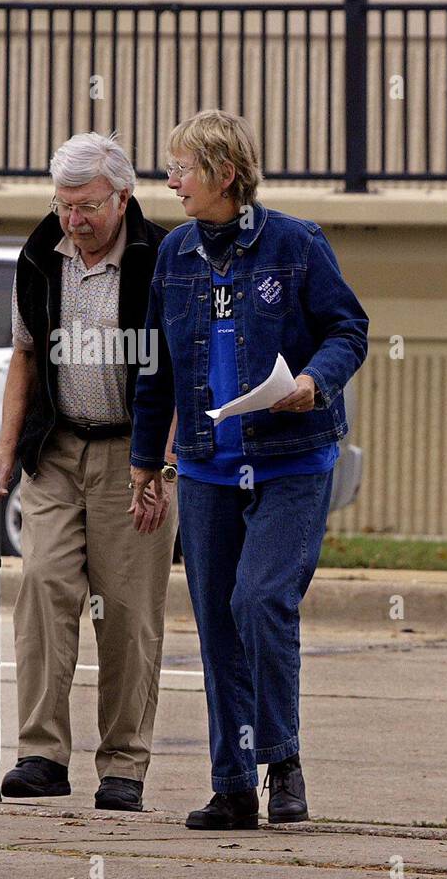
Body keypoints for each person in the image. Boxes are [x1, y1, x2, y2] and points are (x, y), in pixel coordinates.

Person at [130, 110, 369, 829]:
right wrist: (145, 461)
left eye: (184, 169)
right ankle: (232, 783)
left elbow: (348, 329)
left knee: (259, 600)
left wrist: (313, 382)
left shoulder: (296, 244)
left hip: (292, 458)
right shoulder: (174, 256)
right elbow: (156, 368)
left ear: (224, 175)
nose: (172, 181)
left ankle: (283, 762)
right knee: (216, 622)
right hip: (205, 466)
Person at [0, 132, 177, 812]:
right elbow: (25, 355)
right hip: (57, 449)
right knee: (42, 584)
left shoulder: (161, 257)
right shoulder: (39, 255)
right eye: (64, 205)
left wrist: (163, 465)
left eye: (87, 206)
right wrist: (6, 446)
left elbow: (183, 370)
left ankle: (124, 764)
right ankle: (41, 754)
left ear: (123, 197)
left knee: (127, 611)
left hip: (136, 452)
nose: (74, 219)